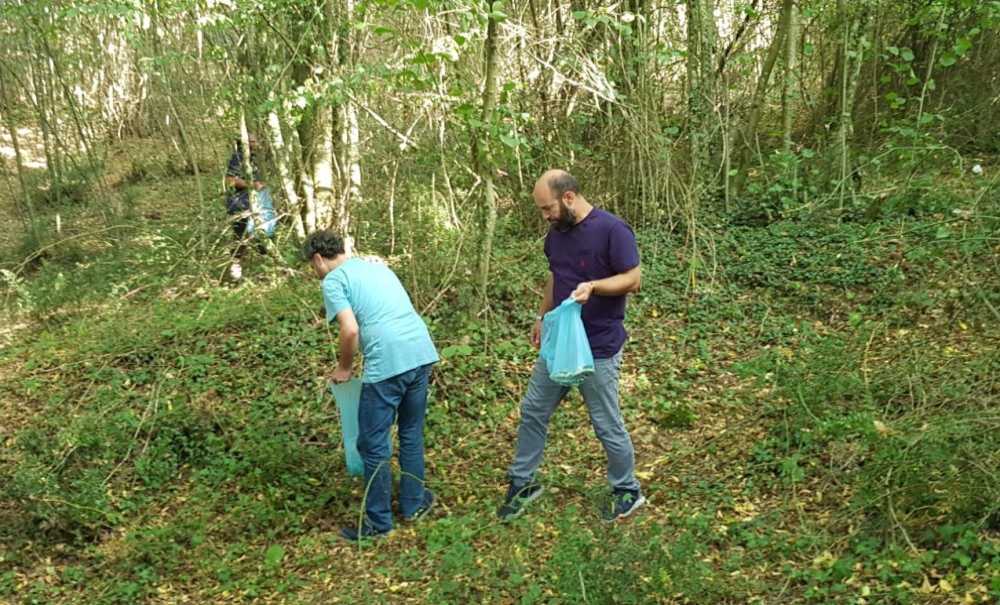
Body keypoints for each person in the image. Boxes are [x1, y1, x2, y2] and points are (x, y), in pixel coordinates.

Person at [498, 169, 645, 523]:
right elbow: (555, 275)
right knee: (534, 409)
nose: (545, 216)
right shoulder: (556, 234)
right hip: (560, 342)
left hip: (598, 346)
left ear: (568, 197)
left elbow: (633, 279)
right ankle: (523, 483)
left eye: (547, 208)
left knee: (605, 422)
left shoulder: (612, 230)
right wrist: (542, 316)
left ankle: (627, 490)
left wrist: (594, 286)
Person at [304, 230, 439, 541]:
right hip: (421, 351)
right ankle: (413, 504)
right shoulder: (377, 267)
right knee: (410, 432)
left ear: (319, 259)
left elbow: (350, 330)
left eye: (312, 266)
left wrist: (344, 367)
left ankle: (379, 523)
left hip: (388, 362)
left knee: (372, 443)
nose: (315, 271)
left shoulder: (334, 280)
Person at [224, 134, 273, 281]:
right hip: (240, 203)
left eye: (256, 140)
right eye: (253, 141)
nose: (256, 143)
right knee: (240, 235)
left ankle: (268, 268)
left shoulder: (254, 158)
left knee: (262, 232)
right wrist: (252, 185)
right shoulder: (238, 157)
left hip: (256, 203)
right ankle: (235, 269)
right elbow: (230, 180)